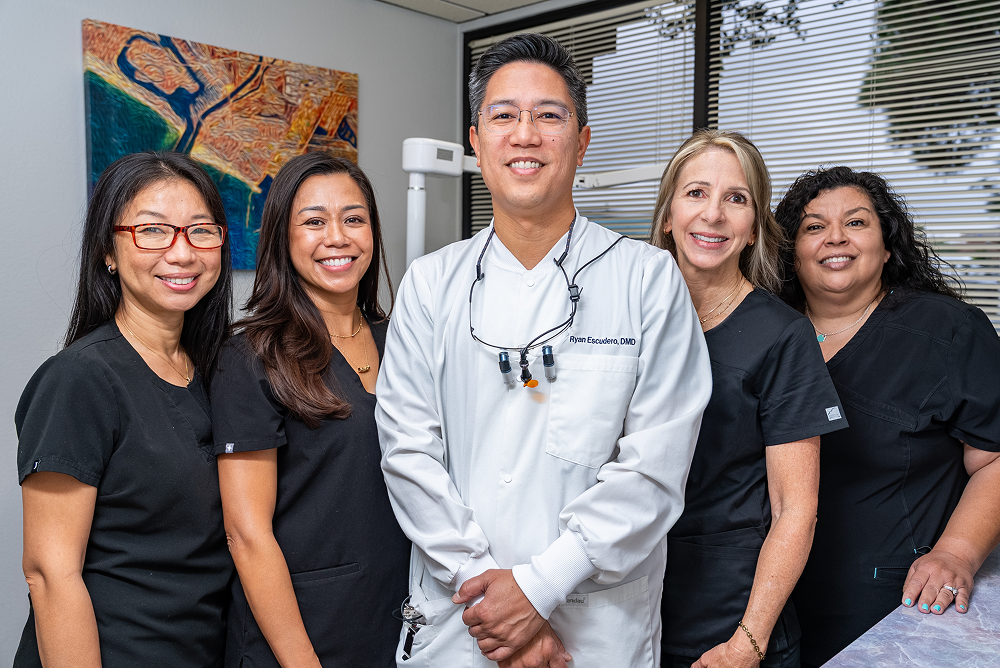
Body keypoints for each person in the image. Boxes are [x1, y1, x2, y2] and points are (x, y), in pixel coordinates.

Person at [376, 33, 711, 668]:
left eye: (549, 116)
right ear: (476, 141)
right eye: (503, 115)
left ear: (582, 141)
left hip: (595, 628)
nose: (525, 134)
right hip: (461, 620)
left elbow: (654, 469)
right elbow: (407, 455)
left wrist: (536, 589)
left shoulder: (648, 279)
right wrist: (496, 606)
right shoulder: (429, 283)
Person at [15, 151, 234, 667]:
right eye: (152, 231)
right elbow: (49, 573)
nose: (181, 253)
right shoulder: (78, 380)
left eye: (200, 230)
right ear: (108, 252)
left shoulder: (220, 373)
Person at [775, 166, 1000, 667]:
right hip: (763, 601)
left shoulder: (946, 331)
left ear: (888, 245)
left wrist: (957, 553)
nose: (835, 237)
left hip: (889, 604)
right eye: (813, 226)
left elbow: (995, 459)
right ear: (792, 251)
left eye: (856, 223)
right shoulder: (767, 335)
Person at [650, 130, 846, 668]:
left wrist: (749, 643)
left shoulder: (782, 337)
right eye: (695, 193)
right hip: (623, 607)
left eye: (735, 199)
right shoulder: (627, 320)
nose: (713, 215)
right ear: (667, 214)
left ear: (754, 227)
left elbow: (794, 509)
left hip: (727, 622)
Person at [210, 152, 410, 668]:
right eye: (314, 221)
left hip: (399, 620)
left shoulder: (406, 343)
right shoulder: (252, 357)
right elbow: (246, 533)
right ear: (282, 237)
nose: (338, 237)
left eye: (354, 219)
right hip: (301, 635)